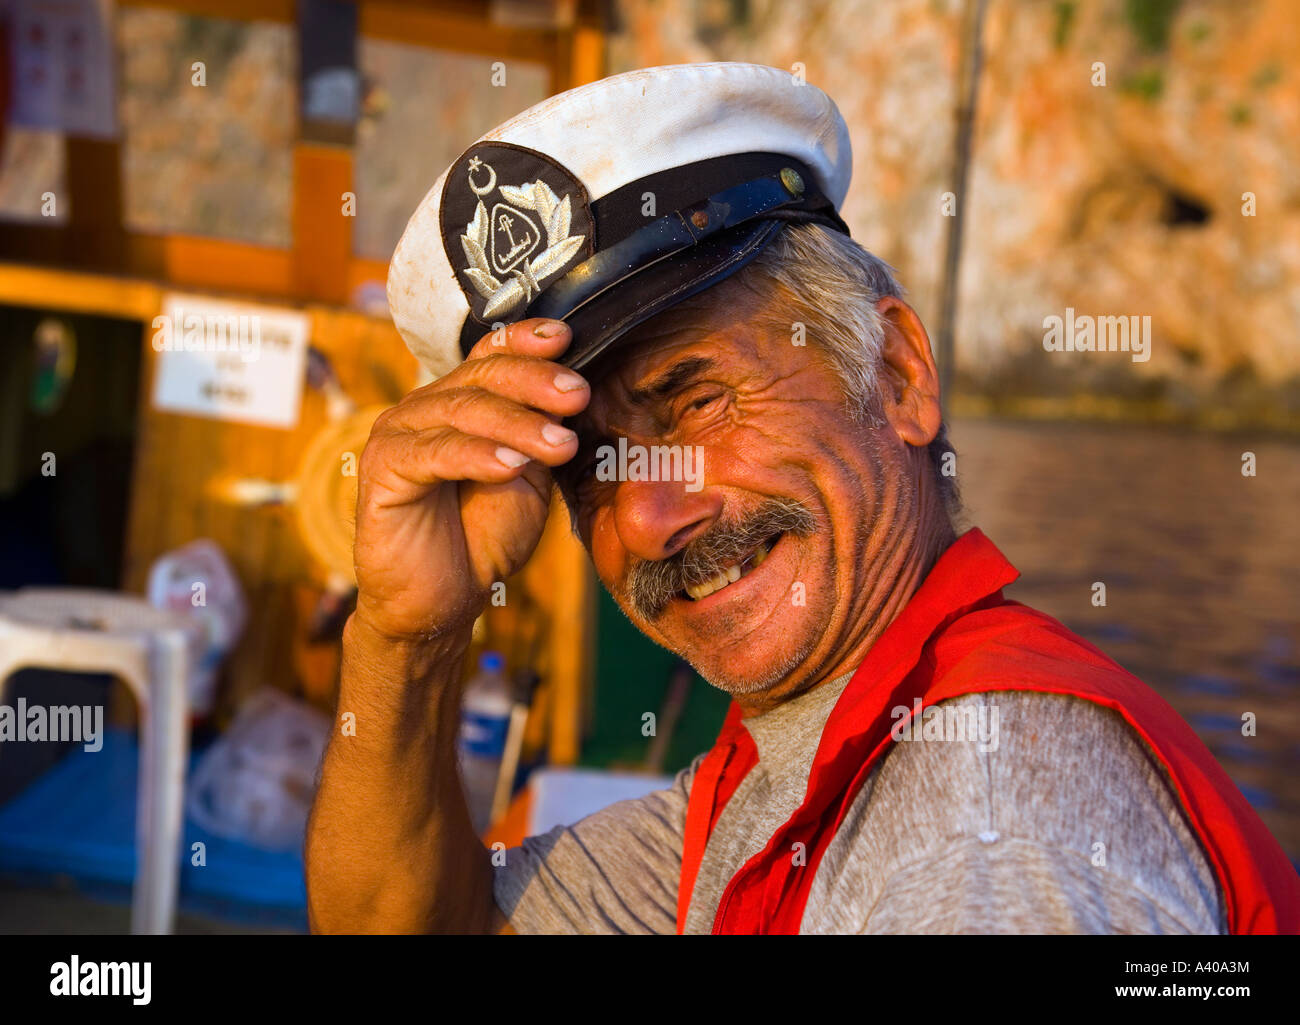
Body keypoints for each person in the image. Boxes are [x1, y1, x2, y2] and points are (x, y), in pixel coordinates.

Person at [305, 63, 1299, 934]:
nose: (650, 514)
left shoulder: (980, 823)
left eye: (695, 402)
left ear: (899, 374)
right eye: (589, 465)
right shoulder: (791, 768)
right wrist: (407, 631)